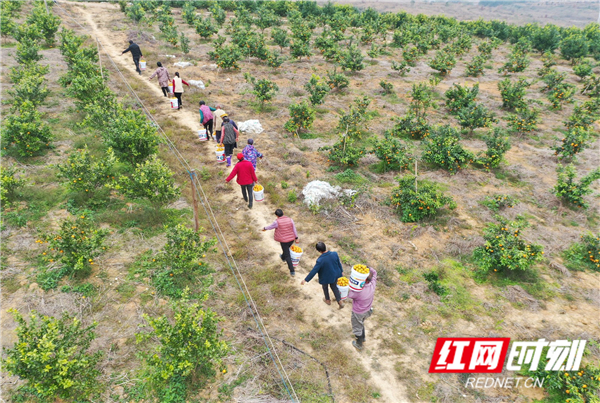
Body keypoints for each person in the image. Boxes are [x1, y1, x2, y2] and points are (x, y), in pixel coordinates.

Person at [301, 242, 344, 309]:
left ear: (319, 251)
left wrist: (306, 279)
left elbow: (314, 271)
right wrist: (341, 271)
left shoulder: (320, 260)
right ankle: (340, 301)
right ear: (325, 247)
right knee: (334, 287)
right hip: (335, 275)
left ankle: (327, 300)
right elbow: (339, 263)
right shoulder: (334, 254)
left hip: (326, 277)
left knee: (325, 287)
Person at [262, 209, 299, 276]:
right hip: (291, 239)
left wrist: (264, 228)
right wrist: (296, 238)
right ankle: (282, 257)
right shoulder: (290, 219)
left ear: (276, 215)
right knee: (286, 250)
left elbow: (271, 227)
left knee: (288, 255)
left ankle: (292, 271)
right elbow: (294, 229)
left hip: (284, 241)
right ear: (283, 212)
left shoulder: (277, 222)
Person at [347, 267, 377, 350]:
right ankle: (363, 338)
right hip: (367, 310)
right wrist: (368, 269)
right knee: (361, 323)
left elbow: (348, 296)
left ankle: (359, 344)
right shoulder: (373, 284)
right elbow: (374, 273)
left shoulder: (358, 292)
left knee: (357, 327)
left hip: (358, 312)